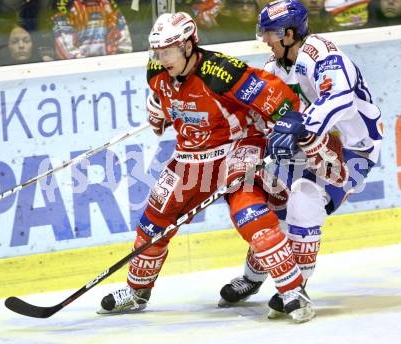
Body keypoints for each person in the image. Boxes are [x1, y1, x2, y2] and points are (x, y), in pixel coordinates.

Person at [97, 11, 316, 323]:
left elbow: (274, 95)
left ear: (189, 46)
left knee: (250, 215)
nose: (162, 58)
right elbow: (164, 97)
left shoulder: (220, 71)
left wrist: (290, 120)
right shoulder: (155, 70)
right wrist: (158, 109)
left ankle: (294, 291)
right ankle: (137, 291)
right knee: (152, 223)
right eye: (158, 52)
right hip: (190, 157)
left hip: (237, 146)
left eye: (169, 50)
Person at [218, 0, 382, 321]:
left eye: (270, 34)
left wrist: (301, 122)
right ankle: (253, 278)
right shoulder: (275, 65)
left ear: (289, 33)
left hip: (353, 148)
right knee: (274, 204)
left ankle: (297, 288)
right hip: (311, 143)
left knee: (304, 201)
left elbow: (339, 98)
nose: (265, 39)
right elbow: (259, 110)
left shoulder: (323, 55)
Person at [52, 0, 133, 59]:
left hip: (111, 69)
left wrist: (112, 64)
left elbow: (124, 46)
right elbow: (67, 51)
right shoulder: (66, 8)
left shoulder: (110, 6)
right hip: (79, 73)